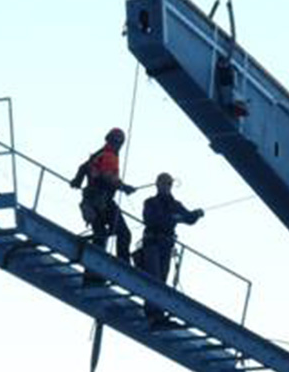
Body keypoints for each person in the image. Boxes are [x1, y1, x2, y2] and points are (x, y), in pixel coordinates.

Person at [137, 172, 203, 326]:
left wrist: (196, 214)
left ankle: (158, 312)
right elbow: (150, 220)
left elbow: (188, 218)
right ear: (157, 184)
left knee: (162, 279)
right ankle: (153, 313)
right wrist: (172, 218)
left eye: (168, 184)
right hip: (152, 243)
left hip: (166, 245)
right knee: (154, 278)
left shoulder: (175, 204)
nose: (166, 186)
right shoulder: (150, 202)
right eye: (164, 183)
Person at [70, 127, 136, 265]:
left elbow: (83, 168)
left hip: (90, 201)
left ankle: (92, 273)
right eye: (118, 142)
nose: (118, 145)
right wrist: (124, 187)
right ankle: (122, 264)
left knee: (100, 235)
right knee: (124, 233)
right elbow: (107, 177)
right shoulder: (110, 155)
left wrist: (77, 181)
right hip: (103, 201)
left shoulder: (98, 154)